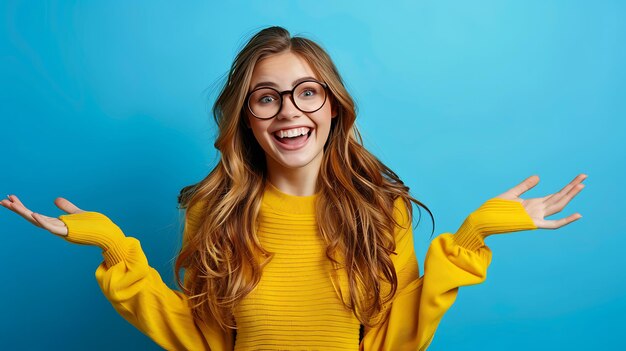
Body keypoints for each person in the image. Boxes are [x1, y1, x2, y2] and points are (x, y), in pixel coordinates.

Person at [1, 26, 586, 351]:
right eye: (266, 96)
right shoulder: (215, 212)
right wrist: (116, 250)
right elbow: (199, 340)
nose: (289, 111)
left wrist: (472, 235)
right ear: (247, 117)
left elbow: (396, 338)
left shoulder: (381, 212)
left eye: (307, 92)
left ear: (332, 107)